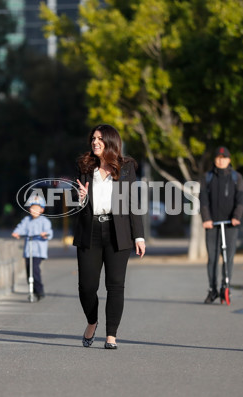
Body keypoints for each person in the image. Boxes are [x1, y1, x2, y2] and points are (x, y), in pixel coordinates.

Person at [73, 124, 145, 349]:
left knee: (115, 286)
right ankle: (92, 322)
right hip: (90, 231)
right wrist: (81, 198)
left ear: (111, 142)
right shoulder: (85, 166)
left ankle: (111, 335)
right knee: (86, 286)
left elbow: (133, 202)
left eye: (100, 139)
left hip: (118, 232)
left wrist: (139, 236)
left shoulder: (126, 168)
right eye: (93, 138)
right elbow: (79, 205)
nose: (95, 142)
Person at [200, 146, 243, 304]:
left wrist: (236, 217)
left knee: (228, 257)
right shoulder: (208, 177)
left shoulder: (235, 177)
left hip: (230, 224)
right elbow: (203, 200)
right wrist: (206, 219)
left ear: (229, 160)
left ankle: (226, 286)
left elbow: (240, 199)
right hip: (212, 224)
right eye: (218, 158)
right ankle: (212, 289)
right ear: (214, 160)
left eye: (224, 157)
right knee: (212, 258)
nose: (221, 160)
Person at [12, 195, 53, 301]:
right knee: (28, 271)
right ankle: (33, 290)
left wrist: (45, 234)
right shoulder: (26, 220)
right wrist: (17, 233)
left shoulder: (44, 221)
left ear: (42, 209)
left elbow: (49, 232)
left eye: (36, 208)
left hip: (38, 251)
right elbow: (20, 228)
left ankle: (39, 290)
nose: (33, 210)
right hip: (28, 251)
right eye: (31, 208)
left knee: (35, 270)